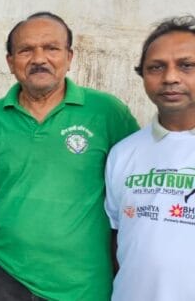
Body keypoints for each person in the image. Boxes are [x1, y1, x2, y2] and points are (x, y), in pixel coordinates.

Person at [0, 12, 139, 301]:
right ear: (10, 62)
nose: (39, 58)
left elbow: (134, 191)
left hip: (82, 281)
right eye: (26, 50)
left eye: (51, 48)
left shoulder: (106, 113)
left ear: (69, 56)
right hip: (5, 271)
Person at [104, 15, 195, 301]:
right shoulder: (123, 153)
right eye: (156, 67)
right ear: (143, 75)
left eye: (186, 66)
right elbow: (118, 238)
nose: (170, 77)